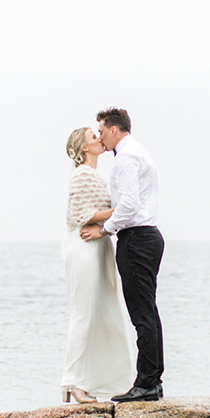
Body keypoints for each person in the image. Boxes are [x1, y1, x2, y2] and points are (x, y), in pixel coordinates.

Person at [80, 107, 165, 403]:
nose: (100, 138)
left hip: (137, 239)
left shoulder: (127, 157)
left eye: (102, 131)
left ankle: (147, 383)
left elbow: (128, 205)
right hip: (146, 236)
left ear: (114, 130)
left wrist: (103, 230)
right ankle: (151, 380)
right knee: (147, 312)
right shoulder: (137, 152)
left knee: (142, 314)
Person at [61, 126, 135, 403]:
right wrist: (122, 209)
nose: (99, 138)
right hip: (86, 248)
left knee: (105, 314)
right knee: (84, 314)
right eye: (94, 137)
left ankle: (105, 380)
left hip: (101, 245)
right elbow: (82, 215)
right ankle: (73, 381)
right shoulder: (81, 175)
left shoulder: (95, 175)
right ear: (83, 148)